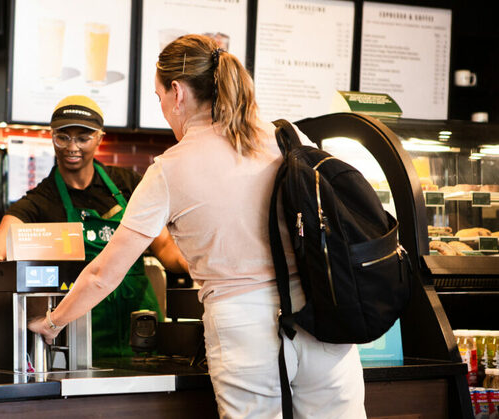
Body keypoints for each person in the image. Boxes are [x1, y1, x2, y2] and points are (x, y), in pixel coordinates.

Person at [28, 35, 366, 417]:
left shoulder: (170, 169)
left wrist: (53, 321)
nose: (163, 110)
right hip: (322, 313)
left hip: (243, 325)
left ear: (177, 93)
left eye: (158, 99)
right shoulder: (285, 136)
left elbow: (105, 273)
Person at [0, 95, 188, 358]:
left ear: (99, 138)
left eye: (83, 138)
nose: (72, 147)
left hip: (140, 324)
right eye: (63, 137)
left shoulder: (126, 184)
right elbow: (2, 238)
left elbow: (164, 245)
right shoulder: (42, 199)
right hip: (83, 332)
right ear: (52, 137)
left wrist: (199, 266)